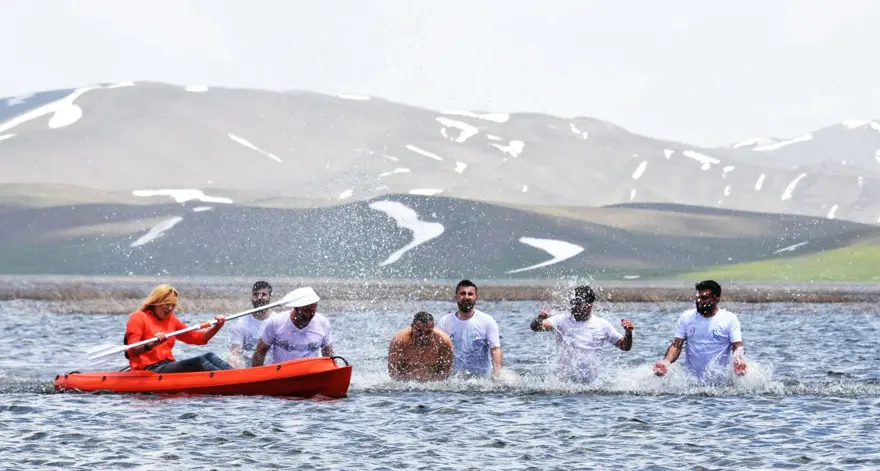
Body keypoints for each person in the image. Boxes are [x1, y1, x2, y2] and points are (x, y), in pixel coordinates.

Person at [530, 285, 634, 383]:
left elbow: (625, 346)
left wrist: (628, 332)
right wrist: (541, 318)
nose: (573, 307)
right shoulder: (561, 320)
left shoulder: (602, 325)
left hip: (591, 385)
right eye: (573, 302)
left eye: (578, 304)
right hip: (564, 383)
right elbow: (535, 326)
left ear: (589, 306)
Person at [653, 280, 748, 382]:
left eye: (704, 298)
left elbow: (737, 347)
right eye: (698, 297)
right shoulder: (686, 317)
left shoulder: (729, 319)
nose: (699, 301)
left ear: (716, 299)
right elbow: (676, 345)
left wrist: (739, 361)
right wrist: (666, 362)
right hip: (691, 384)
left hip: (721, 385)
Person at [124, 284, 232, 373]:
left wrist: (218, 326)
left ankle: (238, 375)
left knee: (210, 356)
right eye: (167, 304)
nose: (170, 308)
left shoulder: (171, 320)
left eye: (173, 305)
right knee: (200, 361)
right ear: (156, 302)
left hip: (167, 365)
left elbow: (198, 338)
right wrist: (153, 344)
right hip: (149, 369)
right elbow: (133, 351)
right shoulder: (138, 317)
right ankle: (230, 380)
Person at [251, 286, 334, 367]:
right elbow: (260, 352)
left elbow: (329, 355)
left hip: (310, 374)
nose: (308, 315)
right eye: (305, 311)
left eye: (312, 311)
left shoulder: (323, 323)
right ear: (296, 308)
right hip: (281, 375)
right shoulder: (276, 322)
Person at [437, 279, 503, 379]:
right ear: (456, 297)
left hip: (481, 380)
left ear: (476, 297)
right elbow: (438, 351)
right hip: (454, 380)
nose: (466, 297)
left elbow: (495, 350)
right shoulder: (445, 321)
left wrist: (497, 374)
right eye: (463, 293)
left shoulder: (487, 320)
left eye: (470, 294)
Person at [388, 312, 454, 382]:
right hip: (406, 384)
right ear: (412, 327)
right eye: (419, 331)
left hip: (432, 385)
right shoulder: (400, 340)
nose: (423, 336)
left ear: (433, 328)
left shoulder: (443, 341)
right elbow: (393, 371)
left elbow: (446, 371)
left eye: (428, 332)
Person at [227, 281, 279, 368]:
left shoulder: (277, 321)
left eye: (263, 294)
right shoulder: (241, 323)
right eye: (256, 294)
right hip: (249, 371)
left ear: (270, 297)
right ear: (251, 297)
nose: (259, 297)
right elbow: (234, 354)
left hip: (272, 369)